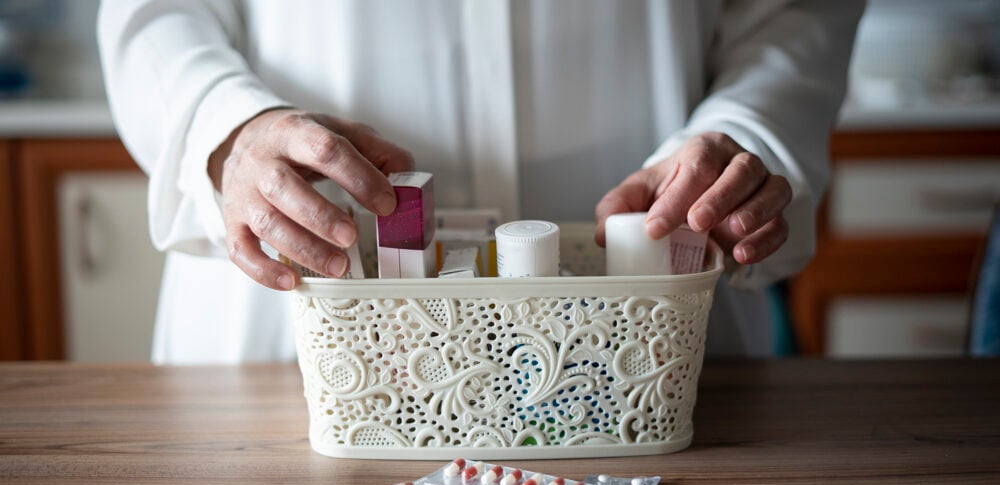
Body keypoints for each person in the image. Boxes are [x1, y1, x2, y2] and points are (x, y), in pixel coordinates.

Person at [98, 0, 863, 364]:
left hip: (652, 359)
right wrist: (226, 128)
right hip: (289, 346)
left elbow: (794, 17)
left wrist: (747, 135)